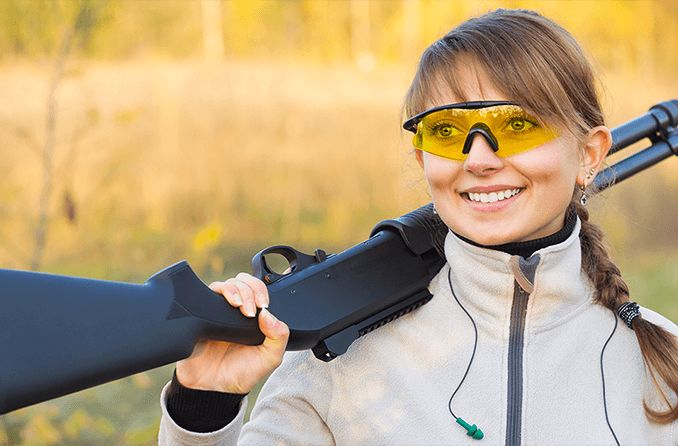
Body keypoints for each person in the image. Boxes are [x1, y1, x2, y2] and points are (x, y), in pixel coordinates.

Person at [158, 9, 677, 445]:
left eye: (516, 125)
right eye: (447, 131)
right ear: (423, 154)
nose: (478, 158)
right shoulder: (341, 351)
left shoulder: (662, 364)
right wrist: (203, 406)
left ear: (590, 155)